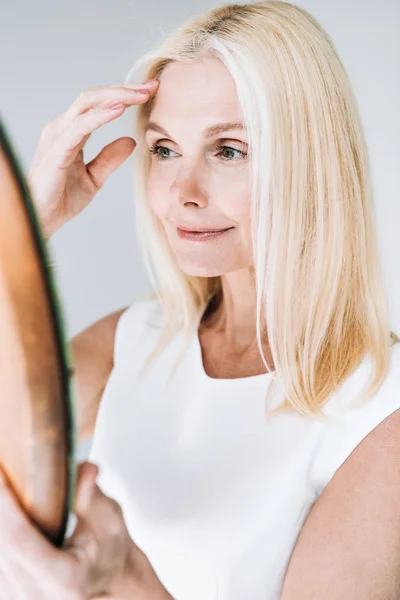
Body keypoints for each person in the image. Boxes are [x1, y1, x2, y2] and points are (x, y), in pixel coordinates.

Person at [2, 1, 400, 598]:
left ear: (309, 164)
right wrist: (23, 232)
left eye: (228, 150)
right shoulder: (131, 342)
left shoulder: (378, 409)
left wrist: (124, 577)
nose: (181, 192)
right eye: (165, 149)